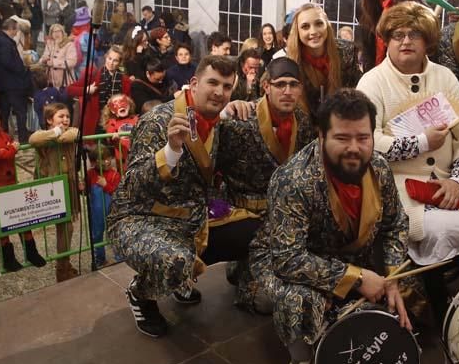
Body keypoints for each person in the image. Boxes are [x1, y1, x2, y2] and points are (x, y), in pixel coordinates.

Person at [252, 89, 411, 364]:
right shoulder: (293, 179)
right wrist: (355, 279)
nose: (354, 148)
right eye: (342, 137)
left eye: (363, 137)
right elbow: (287, 258)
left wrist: (393, 274)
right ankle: (299, 362)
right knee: (300, 299)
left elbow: (395, 223)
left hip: (347, 257)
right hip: (283, 259)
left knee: (404, 291)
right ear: (321, 135)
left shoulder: (378, 168)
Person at [356, 2, 459, 318]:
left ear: (427, 41)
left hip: (447, 186)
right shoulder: (372, 82)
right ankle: (439, 303)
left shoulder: (443, 77)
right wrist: (420, 142)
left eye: (415, 34)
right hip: (400, 192)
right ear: (387, 41)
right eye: (398, 35)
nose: (406, 41)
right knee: (436, 229)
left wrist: (458, 181)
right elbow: (366, 141)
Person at [109, 56, 252, 337]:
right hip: (141, 219)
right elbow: (134, 187)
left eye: (226, 87)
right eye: (212, 83)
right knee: (175, 261)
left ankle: (181, 279)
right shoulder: (156, 121)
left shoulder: (216, 121)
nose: (219, 92)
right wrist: (170, 153)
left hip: (192, 216)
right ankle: (142, 293)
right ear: (195, 83)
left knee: (255, 231)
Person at [217, 57, 317, 310]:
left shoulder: (304, 122)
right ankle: (241, 269)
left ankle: (246, 270)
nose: (287, 91)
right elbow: (209, 157)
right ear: (266, 86)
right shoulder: (240, 119)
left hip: (287, 217)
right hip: (246, 217)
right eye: (280, 84)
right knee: (264, 302)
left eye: (294, 84)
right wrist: (223, 111)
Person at [0, 106, 45, 271]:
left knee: (21, 217)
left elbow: (9, 146)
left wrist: (10, 148)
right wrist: (11, 149)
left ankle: (31, 252)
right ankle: (8, 258)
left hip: (11, 183)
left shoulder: (4, 134)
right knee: (1, 221)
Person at [29, 103, 82, 282]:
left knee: (67, 227)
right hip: (53, 188)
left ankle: (64, 263)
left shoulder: (69, 132)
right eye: (61, 116)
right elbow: (33, 140)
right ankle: (62, 267)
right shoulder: (44, 135)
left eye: (67, 116)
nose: (65, 119)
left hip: (69, 184)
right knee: (65, 227)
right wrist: (56, 133)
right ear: (49, 120)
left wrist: (57, 135)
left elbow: (75, 133)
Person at [282, 3, 361, 117]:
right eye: (305, 27)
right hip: (306, 127)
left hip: (342, 120)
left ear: (327, 26)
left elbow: (359, 90)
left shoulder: (348, 52)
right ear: (297, 32)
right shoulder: (290, 61)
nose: (313, 31)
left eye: (319, 24)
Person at [69, 45, 131, 136]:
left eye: (115, 60)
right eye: (109, 58)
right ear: (105, 57)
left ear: (120, 62)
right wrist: (87, 90)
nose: (111, 63)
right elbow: (70, 89)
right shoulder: (94, 75)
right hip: (95, 123)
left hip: (116, 122)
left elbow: (128, 103)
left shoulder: (125, 81)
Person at [0, 16, 34, 140]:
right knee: (20, 112)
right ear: (11, 29)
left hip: (0, 83)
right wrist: (22, 69)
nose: (16, 33)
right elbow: (7, 61)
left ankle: (3, 138)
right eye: (16, 30)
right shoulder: (6, 43)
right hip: (13, 84)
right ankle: (23, 139)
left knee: (4, 113)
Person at [86, 148, 121, 267]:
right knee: (97, 235)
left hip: (112, 211)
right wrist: (81, 189)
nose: (106, 162)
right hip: (96, 213)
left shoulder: (115, 175)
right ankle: (100, 258)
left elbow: (117, 193)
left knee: (114, 233)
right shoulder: (90, 174)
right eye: (102, 159)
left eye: (108, 158)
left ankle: (119, 257)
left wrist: (106, 185)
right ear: (94, 162)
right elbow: (86, 191)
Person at [39, 23, 77, 88]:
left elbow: (72, 62)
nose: (57, 33)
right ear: (51, 34)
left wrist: (54, 62)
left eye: (59, 31)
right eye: (54, 32)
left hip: (64, 81)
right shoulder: (49, 44)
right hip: (50, 80)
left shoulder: (69, 45)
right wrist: (43, 60)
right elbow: (42, 58)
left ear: (62, 33)